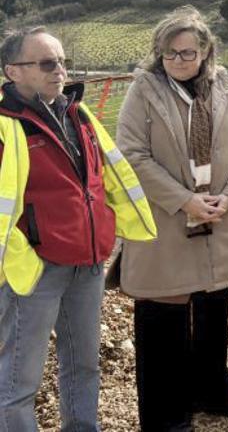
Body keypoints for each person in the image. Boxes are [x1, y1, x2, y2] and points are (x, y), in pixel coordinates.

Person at [0, 27, 157, 430]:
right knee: (18, 382)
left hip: (87, 264)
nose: (60, 70)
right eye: (46, 63)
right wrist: (24, 256)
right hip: (34, 270)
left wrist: (104, 231)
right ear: (12, 71)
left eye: (62, 61)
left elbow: (102, 180)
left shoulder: (79, 114)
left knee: (84, 366)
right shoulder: (4, 126)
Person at [116, 7, 228, 430]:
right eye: (170, 53)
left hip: (220, 219)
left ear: (206, 52)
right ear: (158, 53)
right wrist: (184, 201)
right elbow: (133, 155)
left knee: (214, 309)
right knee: (163, 319)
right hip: (167, 223)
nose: (178, 61)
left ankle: (212, 390)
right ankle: (166, 416)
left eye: (188, 53)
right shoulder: (143, 91)